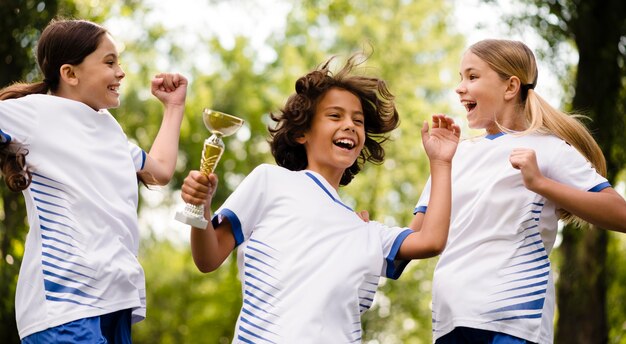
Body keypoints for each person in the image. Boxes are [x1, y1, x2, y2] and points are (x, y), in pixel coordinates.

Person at [180, 54, 460, 343]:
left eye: (358, 120)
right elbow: (207, 258)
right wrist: (200, 207)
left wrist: (441, 163)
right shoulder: (270, 181)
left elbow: (431, 240)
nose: (350, 125)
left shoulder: (366, 232)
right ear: (302, 132)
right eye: (335, 115)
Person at [414, 38, 626, 344]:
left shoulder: (548, 148)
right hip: (450, 320)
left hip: (514, 322)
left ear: (510, 87)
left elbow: (620, 213)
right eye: (460, 78)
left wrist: (541, 184)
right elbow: (417, 237)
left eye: (472, 77)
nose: (460, 88)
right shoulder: (450, 155)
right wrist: (364, 236)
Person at [0, 18, 187, 343]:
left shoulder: (109, 129)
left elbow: (160, 172)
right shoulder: (36, 113)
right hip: (65, 305)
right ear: (70, 73)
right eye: (109, 62)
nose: (121, 72)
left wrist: (174, 107)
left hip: (116, 300)